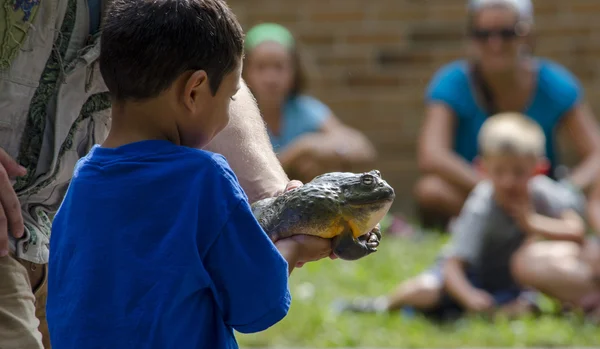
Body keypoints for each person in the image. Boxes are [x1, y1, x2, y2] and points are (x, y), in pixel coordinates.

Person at [0, 0, 322, 349]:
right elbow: (258, 303)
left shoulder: (76, 188)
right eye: (230, 96)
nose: (226, 116)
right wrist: (294, 247)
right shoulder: (205, 181)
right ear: (195, 90)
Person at [336, 113, 590, 321]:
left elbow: (577, 230)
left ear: (539, 168)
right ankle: (383, 305)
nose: (508, 181)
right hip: (465, 278)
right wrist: (469, 297)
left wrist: (533, 223)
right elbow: (452, 265)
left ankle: (477, 313)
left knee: (527, 308)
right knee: (424, 291)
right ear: (482, 168)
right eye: (499, 171)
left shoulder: (542, 192)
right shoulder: (483, 204)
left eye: (519, 172)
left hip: (511, 284)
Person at [414, 0, 600, 230]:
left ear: (527, 35)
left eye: (507, 33)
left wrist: (567, 189)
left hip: (538, 197)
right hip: (477, 193)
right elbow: (431, 154)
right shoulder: (452, 82)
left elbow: (596, 153)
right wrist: (495, 188)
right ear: (472, 38)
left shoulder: (553, 83)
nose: (495, 43)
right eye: (483, 34)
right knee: (431, 190)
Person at [242, 22, 377, 183]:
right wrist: (297, 152)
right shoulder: (238, 115)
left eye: (279, 67)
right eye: (261, 67)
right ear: (244, 71)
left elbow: (363, 149)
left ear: (294, 71)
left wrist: (313, 147)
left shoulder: (304, 109)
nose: (271, 78)